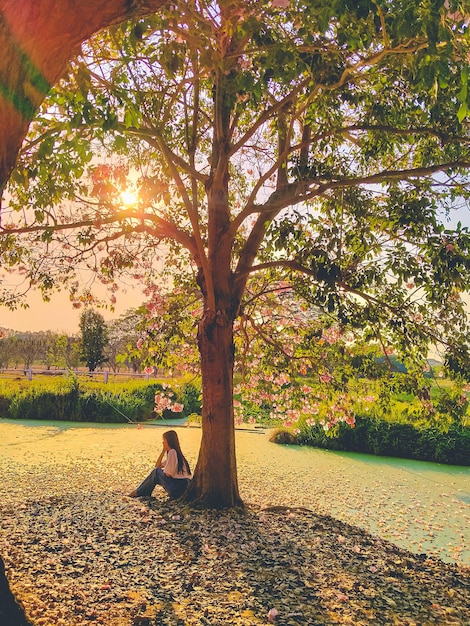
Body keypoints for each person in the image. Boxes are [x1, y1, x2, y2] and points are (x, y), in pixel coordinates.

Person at [128, 430, 191, 500]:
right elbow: (158, 465)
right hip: (182, 487)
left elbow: (168, 474)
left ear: (168, 441)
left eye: (164, 440)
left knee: (156, 472)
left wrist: (161, 472)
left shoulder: (172, 452)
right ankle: (142, 491)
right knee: (156, 471)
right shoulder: (175, 453)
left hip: (178, 488)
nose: (163, 442)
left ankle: (139, 492)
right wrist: (163, 451)